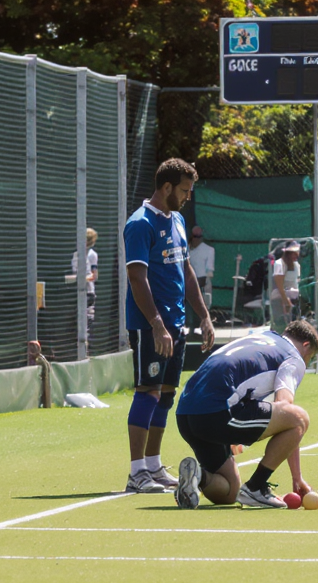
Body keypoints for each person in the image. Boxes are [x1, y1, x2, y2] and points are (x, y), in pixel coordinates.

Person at [123, 158, 215, 494]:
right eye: (184, 190)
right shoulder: (139, 223)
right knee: (147, 391)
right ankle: (136, 473)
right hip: (150, 326)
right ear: (166, 188)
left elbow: (186, 271)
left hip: (175, 324)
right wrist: (156, 323)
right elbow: (137, 278)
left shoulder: (177, 219)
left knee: (165, 394)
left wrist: (203, 315)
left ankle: (153, 465)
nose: (188, 197)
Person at [173, 319, 318, 509]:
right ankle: (256, 487)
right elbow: (286, 408)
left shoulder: (263, 337)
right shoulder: (293, 357)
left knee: (230, 491)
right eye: (310, 358)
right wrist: (297, 477)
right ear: (305, 345)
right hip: (216, 412)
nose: (307, 363)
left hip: (185, 413)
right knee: (300, 418)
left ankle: (197, 476)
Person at [70, 228, 99, 343]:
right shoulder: (76, 255)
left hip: (88, 292)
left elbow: (94, 276)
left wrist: (82, 279)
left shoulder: (92, 255)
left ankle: (86, 345)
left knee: (88, 319)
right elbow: (74, 273)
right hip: (75, 292)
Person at [270, 240, 301, 330]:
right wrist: (286, 301)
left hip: (293, 300)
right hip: (280, 300)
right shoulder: (279, 264)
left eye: (297, 252)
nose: (296, 255)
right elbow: (279, 285)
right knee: (281, 327)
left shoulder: (296, 265)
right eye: (293, 253)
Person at [188, 226, 215, 324]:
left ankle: (204, 324)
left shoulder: (209, 250)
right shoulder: (187, 249)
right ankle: (191, 325)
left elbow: (209, 270)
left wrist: (204, 281)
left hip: (203, 281)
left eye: (198, 237)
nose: (196, 239)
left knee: (205, 304)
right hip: (190, 281)